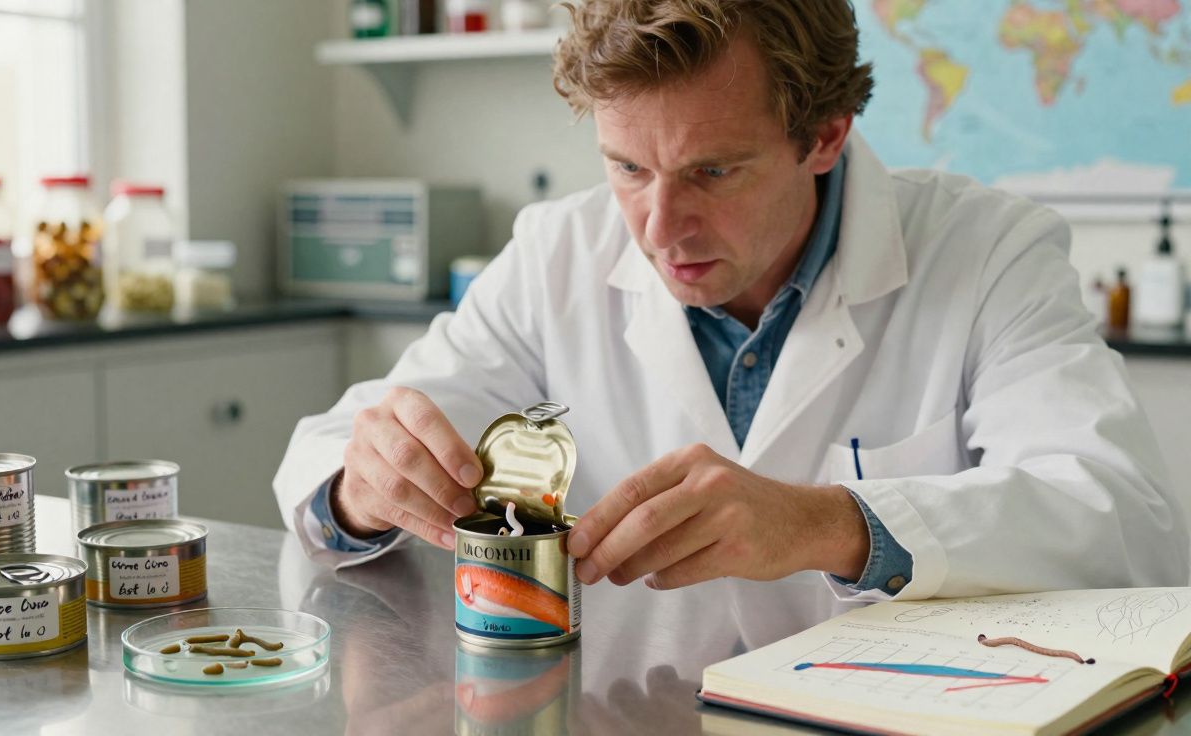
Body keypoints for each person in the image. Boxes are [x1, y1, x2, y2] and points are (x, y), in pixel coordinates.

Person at [274, 0, 1188, 604]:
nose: (660, 228)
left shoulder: (988, 252)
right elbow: (337, 447)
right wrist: (362, 485)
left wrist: (827, 521)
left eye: (713, 170)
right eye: (628, 168)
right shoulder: (557, 250)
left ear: (824, 135)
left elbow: (1120, 521)